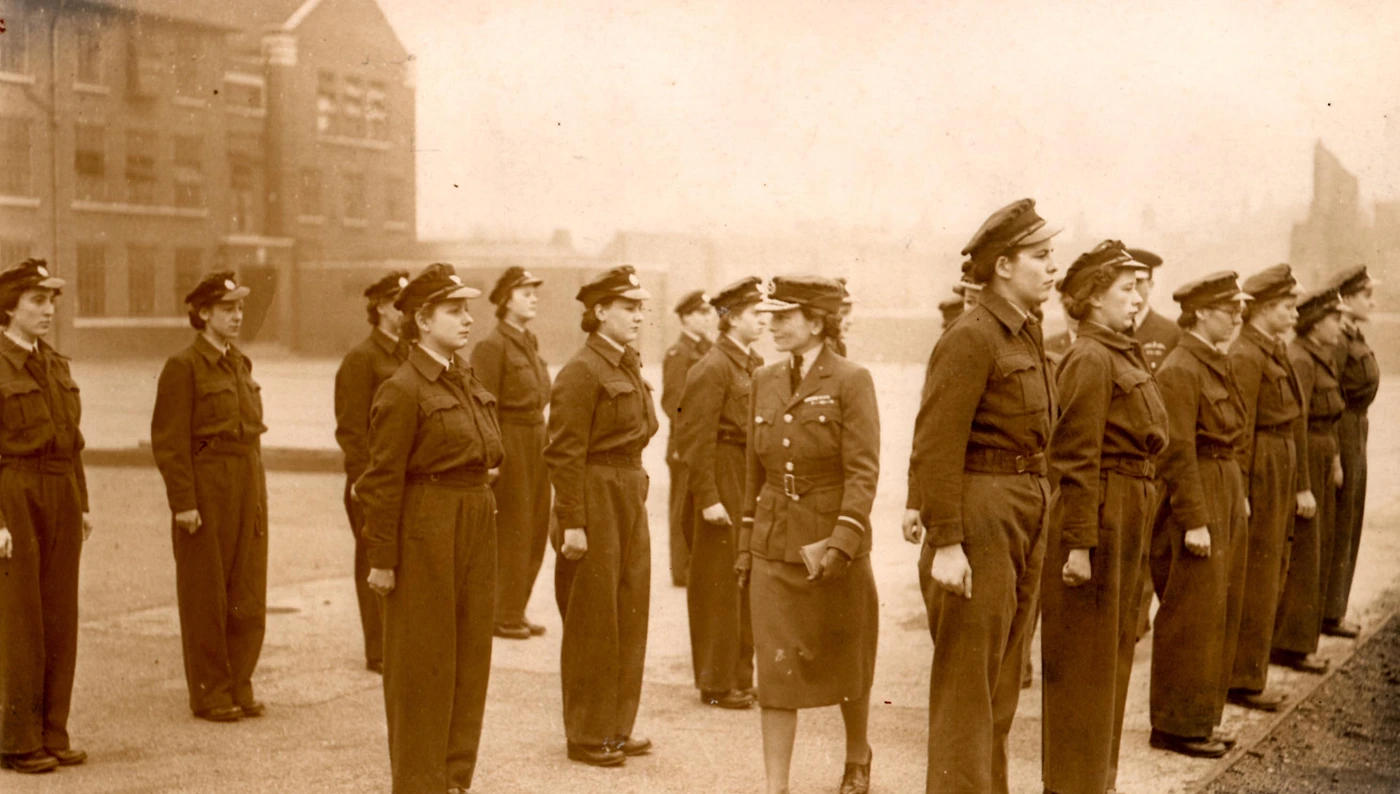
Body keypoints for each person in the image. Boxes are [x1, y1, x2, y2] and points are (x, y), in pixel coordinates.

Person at [908, 198, 1059, 794]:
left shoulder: (1024, 331)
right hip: (982, 516)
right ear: (1003, 265)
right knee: (967, 689)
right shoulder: (970, 337)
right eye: (1041, 257)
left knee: (1000, 685)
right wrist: (946, 542)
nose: (1053, 268)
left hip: (1023, 508)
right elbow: (936, 443)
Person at [356, 263, 504, 793]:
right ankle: (419, 782)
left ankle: (454, 777)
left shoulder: (464, 378)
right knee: (423, 663)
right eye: (454, 310)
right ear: (422, 319)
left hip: (472, 517)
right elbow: (381, 481)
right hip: (427, 524)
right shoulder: (403, 388)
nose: (467, 319)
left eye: (467, 309)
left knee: (470, 657)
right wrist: (382, 560)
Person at [735, 275, 880, 794]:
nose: (772, 324)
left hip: (830, 542)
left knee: (848, 653)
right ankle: (777, 785)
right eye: (769, 315)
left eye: (784, 316)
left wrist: (844, 539)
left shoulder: (851, 379)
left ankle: (857, 756)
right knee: (775, 667)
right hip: (774, 543)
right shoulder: (763, 378)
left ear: (817, 322)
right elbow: (754, 469)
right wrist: (746, 545)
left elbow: (863, 470)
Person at [1041, 242, 1165, 794]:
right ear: (1092, 299)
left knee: (1113, 654)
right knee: (1087, 662)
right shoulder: (1090, 358)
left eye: (1138, 288)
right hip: (1101, 512)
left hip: (1128, 505)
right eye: (1125, 289)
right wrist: (1077, 547)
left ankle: (1099, 780)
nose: (1137, 299)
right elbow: (1073, 457)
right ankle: (1075, 783)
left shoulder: (1120, 351)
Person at [546, 265, 660, 767]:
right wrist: (572, 520)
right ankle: (588, 732)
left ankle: (617, 725)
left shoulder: (627, 365)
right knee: (594, 617)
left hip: (628, 490)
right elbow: (563, 451)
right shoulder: (581, 370)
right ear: (598, 312)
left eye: (640, 307)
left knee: (630, 610)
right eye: (628, 307)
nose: (638, 315)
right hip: (593, 495)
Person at [152, 271, 269, 724]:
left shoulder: (240, 364)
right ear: (203, 314)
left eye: (240, 308)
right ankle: (210, 690)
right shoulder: (183, 367)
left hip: (245, 481)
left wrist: (257, 495)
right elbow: (170, 441)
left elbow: (251, 436)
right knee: (206, 594)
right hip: (207, 484)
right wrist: (184, 502)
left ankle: (239, 682)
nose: (237, 316)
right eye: (227, 309)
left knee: (247, 588)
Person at [1148, 272, 1250, 759]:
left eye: (1238, 310)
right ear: (1201, 312)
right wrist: (1193, 520)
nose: (1236, 317)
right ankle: (1174, 725)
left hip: (1223, 484)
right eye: (1228, 309)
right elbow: (1176, 452)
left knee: (1218, 610)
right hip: (1199, 491)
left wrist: (1237, 495)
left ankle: (1202, 717)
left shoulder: (1214, 362)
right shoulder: (1181, 368)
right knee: (1191, 613)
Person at [0, 260, 92, 774]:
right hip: (14, 489)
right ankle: (17, 739)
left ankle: (53, 731)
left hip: (59, 489)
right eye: (37, 301)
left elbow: (73, 442)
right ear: (9, 306)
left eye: (52, 300)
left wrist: (81, 503)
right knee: (20, 622)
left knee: (61, 617)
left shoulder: (55, 363)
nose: (48, 310)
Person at [675, 277, 766, 710]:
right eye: (754, 315)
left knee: (745, 581)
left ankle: (740, 676)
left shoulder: (753, 363)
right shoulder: (711, 367)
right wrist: (708, 497)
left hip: (747, 476)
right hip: (722, 475)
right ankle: (716, 680)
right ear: (730, 320)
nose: (762, 321)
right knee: (718, 584)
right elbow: (694, 440)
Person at [1226, 264, 1308, 713]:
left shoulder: (1271, 350)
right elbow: (1239, 429)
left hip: (1278, 461)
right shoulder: (1247, 355)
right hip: (1260, 468)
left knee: (1274, 567)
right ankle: (1242, 678)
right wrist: (1242, 489)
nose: (1294, 314)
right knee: (1257, 575)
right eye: (1286, 306)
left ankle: (1252, 672)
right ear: (1260, 309)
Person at [333, 270, 409, 674]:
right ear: (380, 306)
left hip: (401, 479)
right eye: (398, 299)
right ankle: (378, 649)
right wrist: (363, 483)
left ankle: (395, 642)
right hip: (371, 482)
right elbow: (351, 429)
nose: (406, 307)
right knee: (373, 560)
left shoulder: (408, 354)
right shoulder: (362, 359)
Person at [472, 266, 553, 640]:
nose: (534, 298)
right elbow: (485, 405)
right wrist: (493, 458)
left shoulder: (529, 342)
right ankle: (502, 612)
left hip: (538, 440)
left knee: (536, 526)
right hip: (512, 440)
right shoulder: (492, 346)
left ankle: (516, 608)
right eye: (525, 292)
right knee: (514, 529)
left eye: (535, 292)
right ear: (506, 300)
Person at [1272, 287, 1349, 675]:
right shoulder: (1301, 358)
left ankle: (1303, 639)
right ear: (1317, 323)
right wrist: (1302, 483)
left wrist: (1334, 459)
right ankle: (1291, 643)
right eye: (1336, 318)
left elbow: (1330, 415)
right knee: (1305, 554)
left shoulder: (1321, 355)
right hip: (1307, 458)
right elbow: (1297, 423)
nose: (1341, 323)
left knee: (1318, 549)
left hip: (1322, 453)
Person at [1127, 248, 1182, 642]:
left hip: (1157, 450)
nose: (1139, 291)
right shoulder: (1114, 327)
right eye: (1133, 283)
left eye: (1144, 283)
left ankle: (1140, 615)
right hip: (1123, 448)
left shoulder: (1168, 332)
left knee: (1153, 538)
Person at [1323, 265, 1379, 639]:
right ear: (1345, 299)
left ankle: (1335, 607)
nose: (1372, 302)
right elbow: (1329, 395)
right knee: (1340, 521)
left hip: (1357, 428)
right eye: (1365, 296)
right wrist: (1336, 456)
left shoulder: (1352, 335)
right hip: (1342, 429)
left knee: (1352, 517)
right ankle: (1329, 612)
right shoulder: (1340, 341)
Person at [662, 289, 716, 586]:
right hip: (684, 444)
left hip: (704, 440)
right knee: (682, 505)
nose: (707, 318)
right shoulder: (679, 353)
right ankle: (682, 570)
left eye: (709, 312)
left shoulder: (709, 347)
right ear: (685, 318)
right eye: (700, 313)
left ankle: (696, 564)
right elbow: (673, 402)